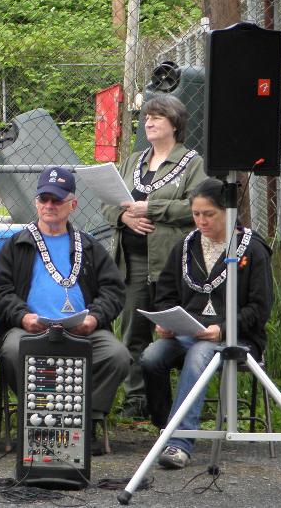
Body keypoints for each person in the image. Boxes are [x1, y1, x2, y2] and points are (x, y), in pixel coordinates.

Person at [0, 166, 130, 455]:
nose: (49, 206)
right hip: (30, 327)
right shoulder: (17, 245)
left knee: (116, 355)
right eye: (44, 199)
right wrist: (23, 317)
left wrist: (94, 318)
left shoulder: (89, 246)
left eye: (57, 200)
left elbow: (114, 291)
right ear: (36, 203)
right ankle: (38, 421)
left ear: (72, 205)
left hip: (81, 329)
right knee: (13, 351)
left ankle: (85, 420)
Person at [139, 178, 273, 469]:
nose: (201, 221)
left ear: (227, 211)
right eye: (196, 214)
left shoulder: (252, 249)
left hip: (237, 334)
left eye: (208, 214)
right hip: (190, 330)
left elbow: (260, 309)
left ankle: (179, 443)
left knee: (201, 353)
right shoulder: (185, 247)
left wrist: (223, 329)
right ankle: (166, 428)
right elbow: (166, 294)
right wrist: (167, 321)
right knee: (151, 357)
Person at [101, 94, 206, 420]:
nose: (148, 122)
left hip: (169, 264)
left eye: (157, 117)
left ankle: (171, 405)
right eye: (147, 117)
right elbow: (107, 204)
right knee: (133, 333)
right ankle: (136, 400)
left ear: (174, 124)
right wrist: (125, 218)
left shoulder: (192, 163)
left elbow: (197, 207)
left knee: (172, 335)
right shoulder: (133, 161)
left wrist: (152, 209)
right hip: (130, 261)